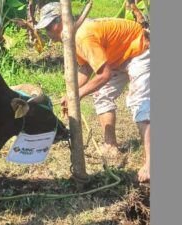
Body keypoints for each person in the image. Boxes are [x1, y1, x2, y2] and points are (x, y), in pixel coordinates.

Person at [35, 2, 150, 183]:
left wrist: (78, 95)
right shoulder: (71, 37)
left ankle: (151, 163)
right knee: (102, 95)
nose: (47, 33)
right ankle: (110, 145)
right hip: (117, 56)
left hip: (139, 49)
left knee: (140, 103)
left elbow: (103, 75)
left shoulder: (83, 35)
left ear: (60, 22)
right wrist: (71, 93)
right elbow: (86, 68)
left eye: (49, 27)